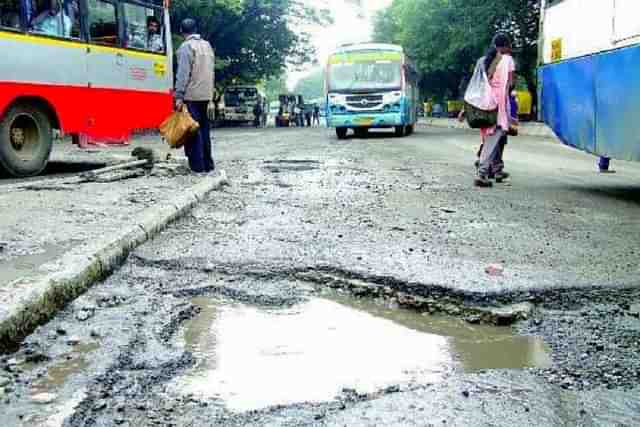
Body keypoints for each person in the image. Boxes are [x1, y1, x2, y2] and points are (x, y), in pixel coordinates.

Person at [475, 33, 516, 187]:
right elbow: (511, 83)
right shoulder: (507, 60)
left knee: (492, 136)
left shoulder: (490, 59)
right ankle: (482, 172)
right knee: (494, 137)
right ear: (505, 46)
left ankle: (497, 169)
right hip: (499, 103)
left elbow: (487, 79)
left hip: (486, 101)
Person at [174, 18, 215, 173]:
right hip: (206, 95)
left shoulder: (186, 47)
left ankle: (197, 166)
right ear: (196, 29)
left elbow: (183, 74)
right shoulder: (207, 45)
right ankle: (208, 164)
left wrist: (179, 96)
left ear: (181, 31)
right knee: (204, 129)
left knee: (192, 131)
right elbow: (211, 71)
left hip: (192, 95)